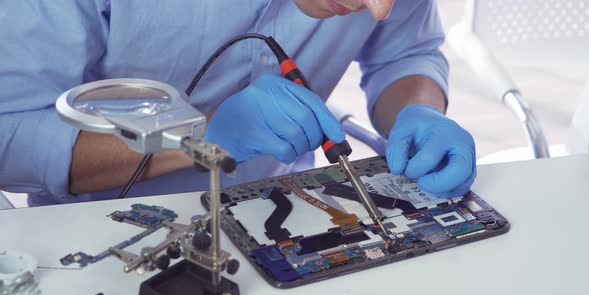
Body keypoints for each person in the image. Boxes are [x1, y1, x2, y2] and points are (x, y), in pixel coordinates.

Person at [0, 0, 476, 207]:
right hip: (102, 232)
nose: (380, 9)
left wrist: (419, 110)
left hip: (286, 207)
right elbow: (8, 138)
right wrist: (196, 141)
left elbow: (406, 54)